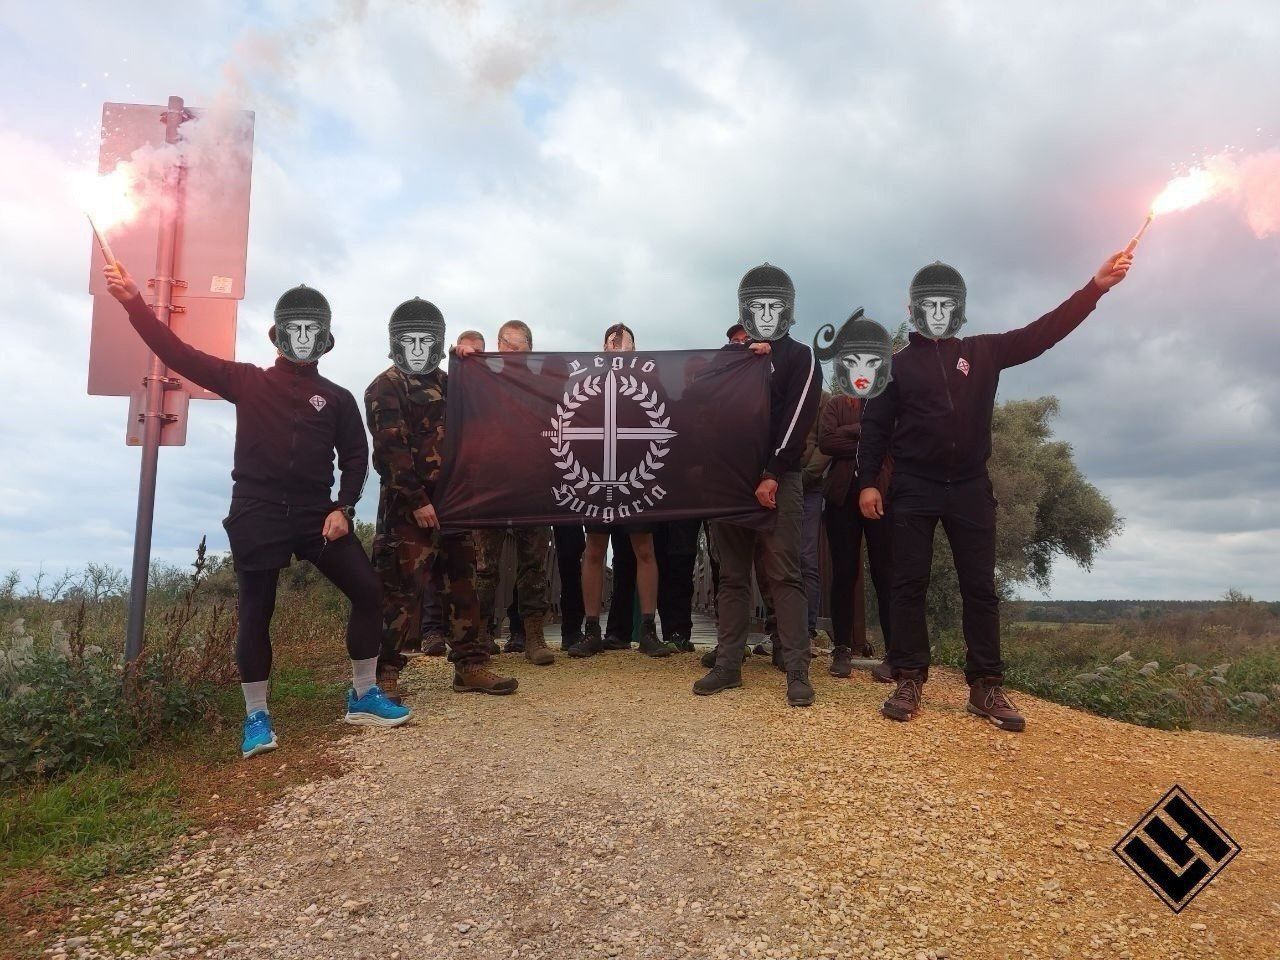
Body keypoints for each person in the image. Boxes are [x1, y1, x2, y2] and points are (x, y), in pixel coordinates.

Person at [102, 262, 409, 759]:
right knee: (255, 610)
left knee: (368, 590)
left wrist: (344, 507)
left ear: (325, 340)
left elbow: (356, 457)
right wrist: (134, 302)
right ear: (279, 336)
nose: (303, 338)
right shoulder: (245, 380)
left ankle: (363, 694)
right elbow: (176, 353)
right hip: (257, 510)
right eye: (295, 329)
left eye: (312, 330)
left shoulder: (337, 398)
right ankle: (256, 717)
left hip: (318, 516)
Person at [859, 253, 1133, 731]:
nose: (937, 312)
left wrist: (1095, 288)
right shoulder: (894, 367)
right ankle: (908, 677)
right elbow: (874, 428)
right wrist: (867, 483)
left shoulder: (985, 351)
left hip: (969, 486)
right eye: (928, 303)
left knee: (980, 588)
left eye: (947, 304)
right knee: (907, 584)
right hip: (914, 486)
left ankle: (985, 685)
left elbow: (1042, 333)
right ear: (912, 310)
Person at [366, 297, 518, 699]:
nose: (418, 349)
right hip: (408, 509)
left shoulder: (451, 383)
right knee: (399, 591)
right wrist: (417, 500)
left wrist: (472, 363)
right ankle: (383, 674)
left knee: (462, 585)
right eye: (410, 340)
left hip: (453, 502)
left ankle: (470, 666)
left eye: (427, 340)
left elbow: (490, 403)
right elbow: (389, 451)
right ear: (396, 342)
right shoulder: (386, 386)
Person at [695, 263, 821, 706]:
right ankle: (728, 664)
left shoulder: (801, 356)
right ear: (745, 310)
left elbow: (797, 419)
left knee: (784, 574)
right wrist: (739, 358)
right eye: (757, 306)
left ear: (788, 309)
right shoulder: (730, 357)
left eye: (774, 306)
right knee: (731, 576)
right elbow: (699, 400)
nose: (766, 314)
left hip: (778, 480)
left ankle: (797, 670)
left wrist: (772, 472)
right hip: (729, 481)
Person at [568, 323, 673, 658]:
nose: (617, 350)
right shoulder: (587, 381)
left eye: (623, 345)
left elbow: (667, 421)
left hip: (637, 478)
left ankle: (648, 630)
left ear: (634, 350)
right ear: (603, 349)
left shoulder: (649, 383)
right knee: (594, 549)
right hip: (596, 479)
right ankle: (591, 630)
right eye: (611, 345)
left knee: (644, 549)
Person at [458, 320, 557, 666]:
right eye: (505, 344)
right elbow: (457, 387)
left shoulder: (542, 384)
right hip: (490, 485)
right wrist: (461, 358)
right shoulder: (483, 379)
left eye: (518, 346)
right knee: (485, 566)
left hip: (533, 485)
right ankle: (481, 634)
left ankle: (533, 635)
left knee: (533, 565)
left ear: (530, 348)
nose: (511, 351)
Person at [816, 309, 897, 680]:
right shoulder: (836, 403)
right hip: (841, 497)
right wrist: (865, 435)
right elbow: (826, 441)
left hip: (882, 494)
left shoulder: (888, 399)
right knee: (844, 572)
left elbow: (892, 442)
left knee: (886, 573)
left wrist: (854, 434)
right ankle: (842, 649)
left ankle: (896, 651)